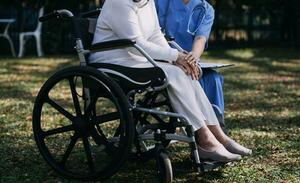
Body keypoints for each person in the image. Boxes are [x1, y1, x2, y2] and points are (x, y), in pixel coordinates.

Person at [89, 0, 252, 162]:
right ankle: (205, 140)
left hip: (136, 59)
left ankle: (220, 137)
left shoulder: (147, 1)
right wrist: (174, 56)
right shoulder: (119, 2)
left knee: (184, 71)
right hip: (113, 61)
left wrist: (174, 58)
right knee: (174, 74)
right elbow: (135, 44)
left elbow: (155, 34)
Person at [155, 0, 226, 125]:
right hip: (163, 58)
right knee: (188, 75)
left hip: (189, 60)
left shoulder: (206, 9)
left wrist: (194, 55)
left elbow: (201, 38)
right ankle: (200, 125)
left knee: (213, 78)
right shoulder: (159, 3)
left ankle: (216, 123)